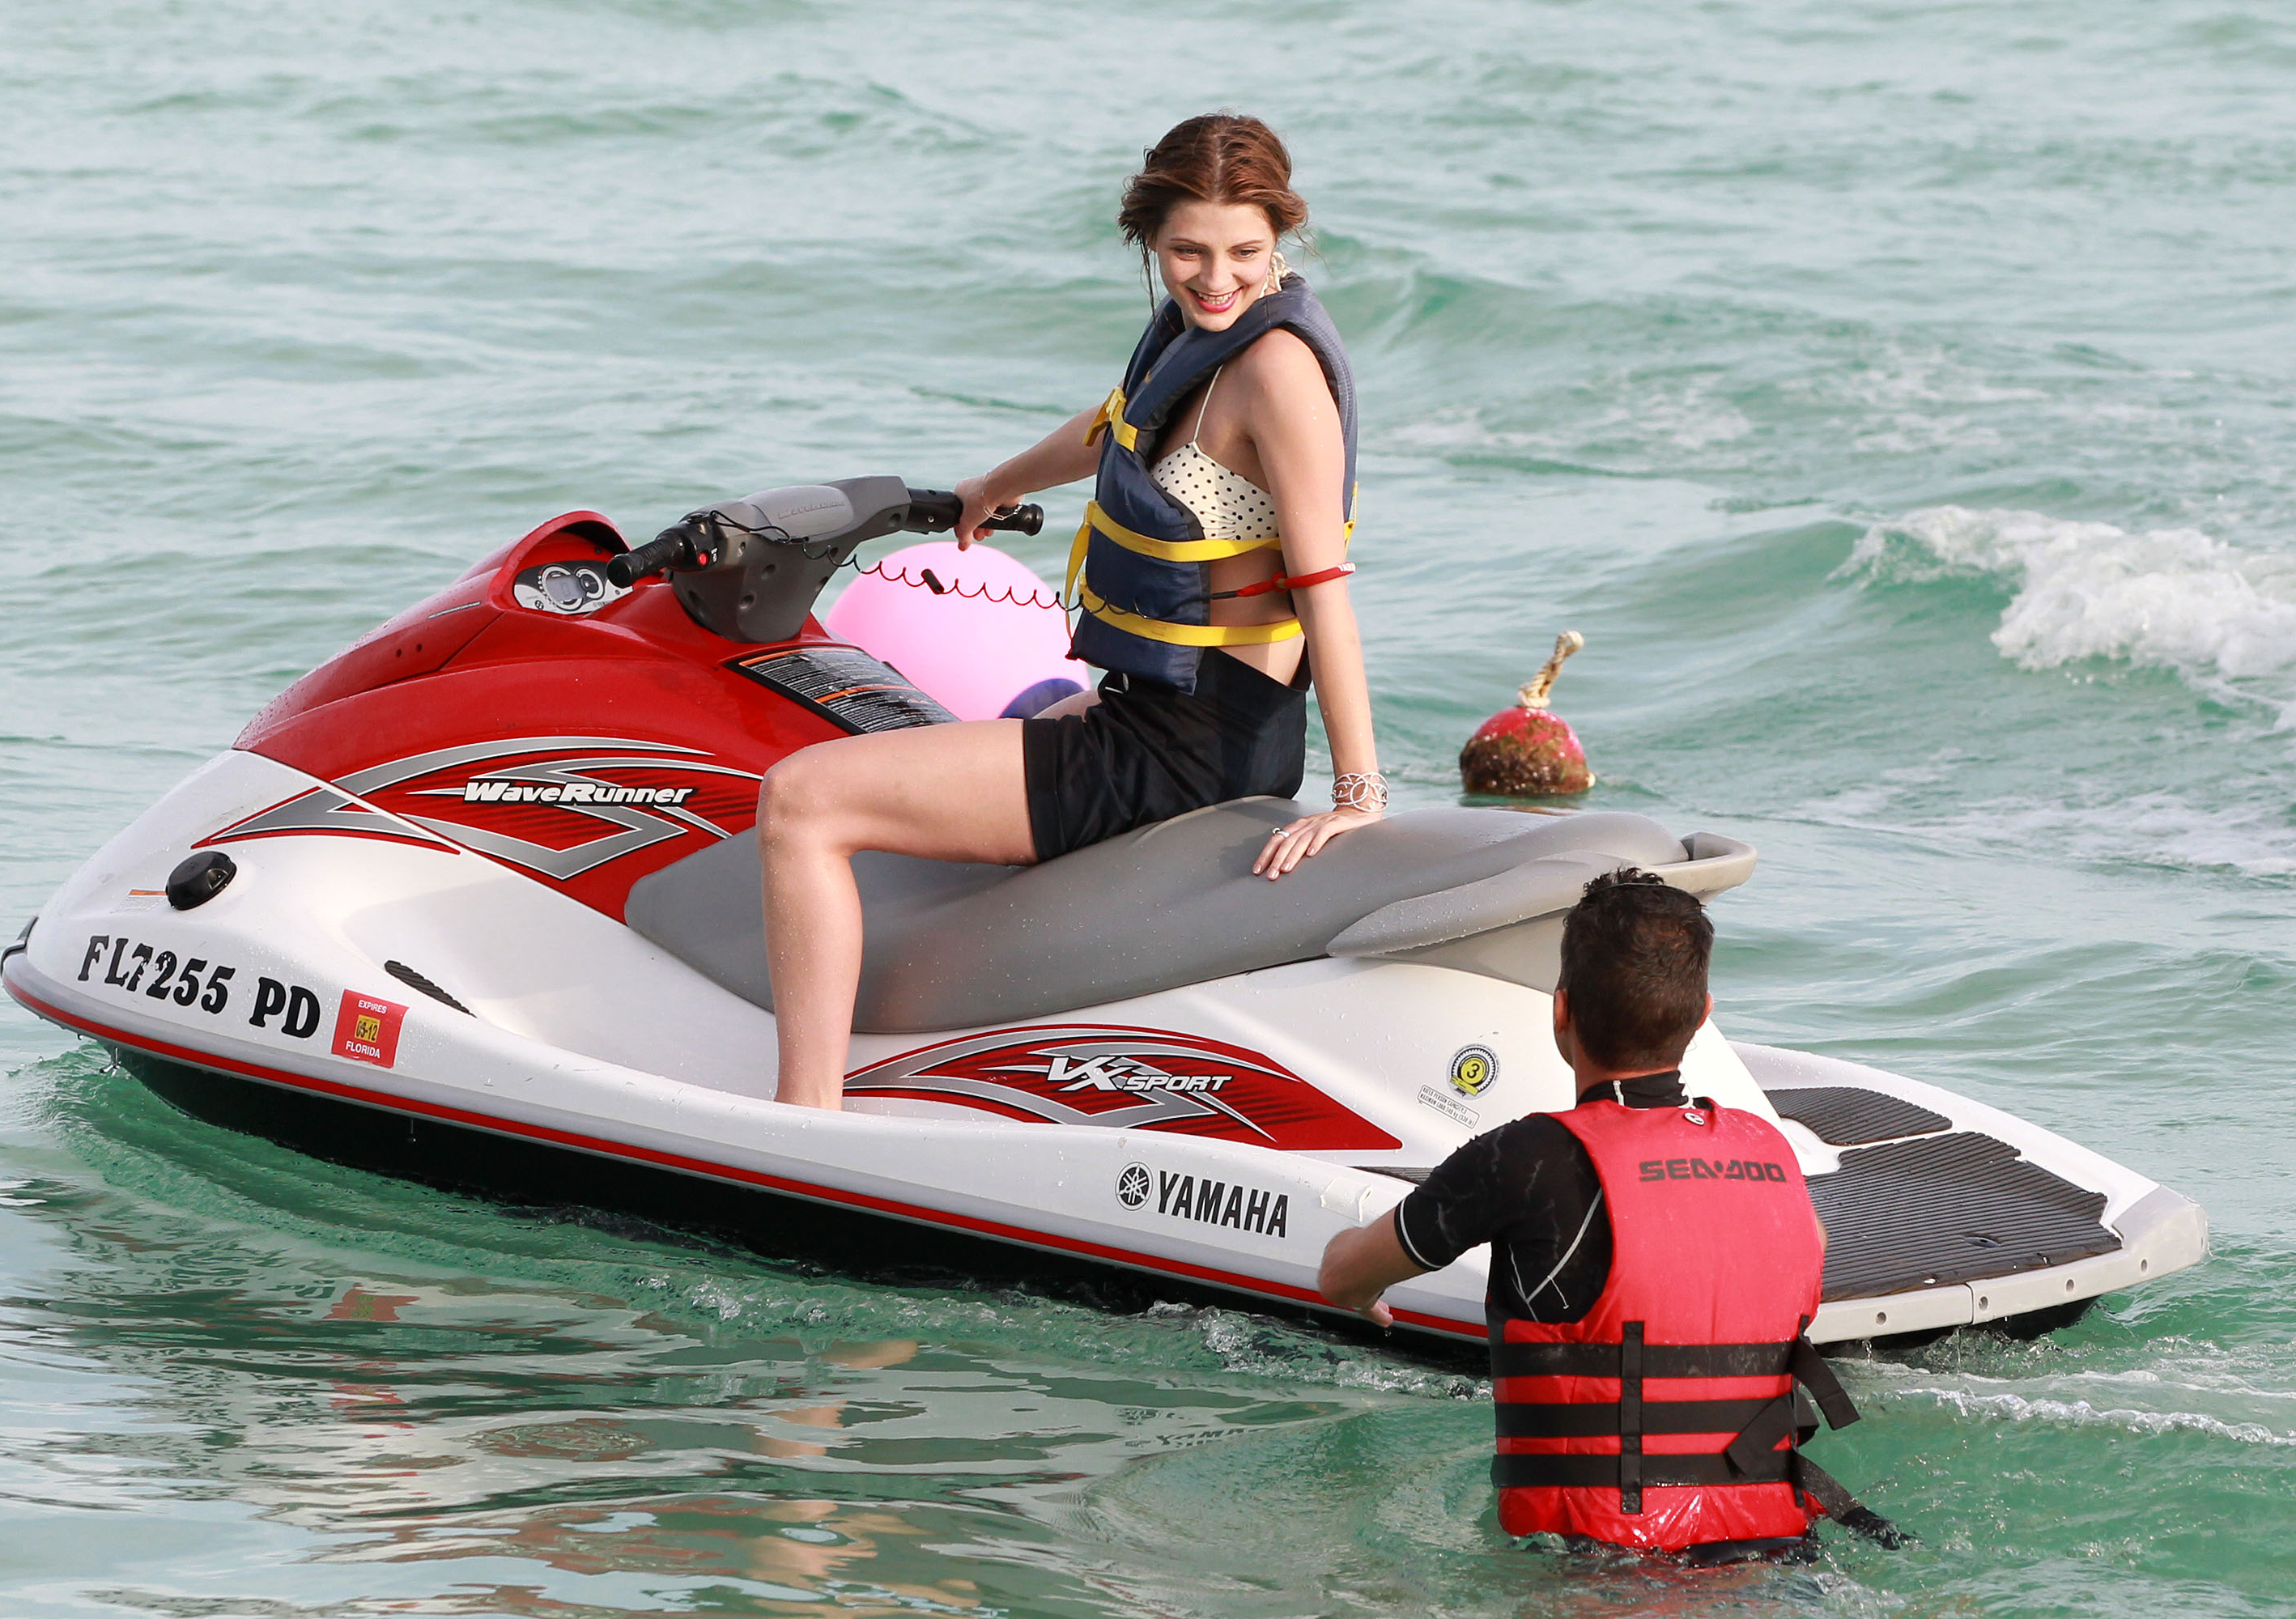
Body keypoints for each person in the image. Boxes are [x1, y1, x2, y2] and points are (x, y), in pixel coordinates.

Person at [757, 113, 1384, 1109]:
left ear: (1282, 235)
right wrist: (991, 487)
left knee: (800, 799)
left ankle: (803, 1122)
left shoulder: (1276, 371)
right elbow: (1117, 425)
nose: (1215, 277)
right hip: (1163, 713)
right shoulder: (1198, 336)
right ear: (1150, 238)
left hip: (1190, 746)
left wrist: (1359, 793)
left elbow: (1322, 587)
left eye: (1244, 251)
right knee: (1004, 728)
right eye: (1187, 251)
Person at [1317, 869, 1901, 1559]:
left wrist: (1356, 1281)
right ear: (1702, 1016)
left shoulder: (1526, 1160)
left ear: (1560, 1011)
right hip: (1778, 1547)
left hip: (1602, 1569)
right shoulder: (1767, 1150)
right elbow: (1807, 1250)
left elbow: (1343, 1278)